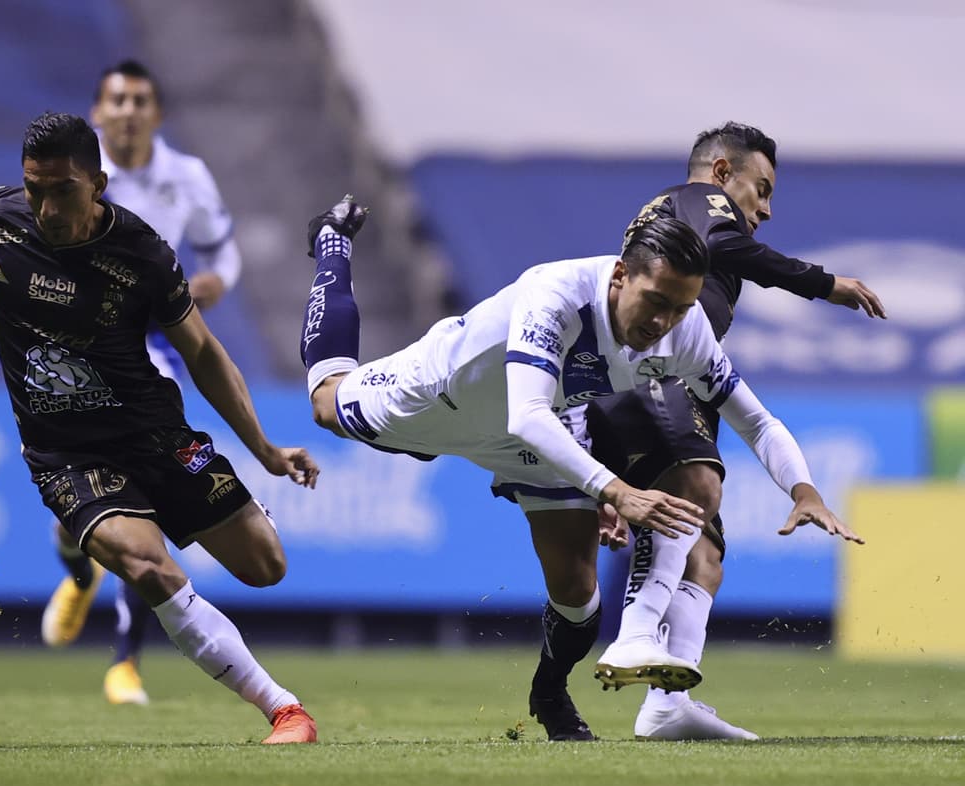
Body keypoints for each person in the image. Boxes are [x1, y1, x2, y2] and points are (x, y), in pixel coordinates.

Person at [297, 196, 862, 741]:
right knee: (326, 402)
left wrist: (803, 488)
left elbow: (756, 421)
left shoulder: (684, 330)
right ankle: (331, 242)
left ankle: (548, 692)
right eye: (656, 300)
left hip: (542, 429)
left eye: (682, 306)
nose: (664, 321)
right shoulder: (557, 293)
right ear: (620, 276)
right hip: (438, 399)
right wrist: (616, 491)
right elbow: (526, 412)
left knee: (577, 593)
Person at [0, 111, 318, 743]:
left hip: (153, 431)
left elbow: (205, 354)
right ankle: (285, 710)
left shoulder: (142, 253)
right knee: (151, 567)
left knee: (266, 566)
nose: (46, 207)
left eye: (63, 190)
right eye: (35, 188)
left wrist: (264, 449)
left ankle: (78, 552)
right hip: (66, 454)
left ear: (98, 183)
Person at [539, 122, 885, 741]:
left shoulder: (675, 235)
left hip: (659, 380)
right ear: (723, 173)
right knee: (699, 485)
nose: (767, 210)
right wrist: (823, 282)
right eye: (763, 189)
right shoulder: (702, 202)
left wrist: (802, 490)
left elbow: (756, 417)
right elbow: (730, 245)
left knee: (705, 554)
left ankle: (668, 705)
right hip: (649, 373)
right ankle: (637, 634)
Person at [39, 60, 245, 707]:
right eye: (117, 100)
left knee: (146, 493)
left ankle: (124, 661)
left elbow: (223, 251)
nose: (128, 110)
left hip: (154, 348)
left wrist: (212, 284)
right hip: (81, 353)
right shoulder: (77, 178)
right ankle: (77, 573)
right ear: (98, 113)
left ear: (157, 113)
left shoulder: (187, 178)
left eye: (141, 100)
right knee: (77, 522)